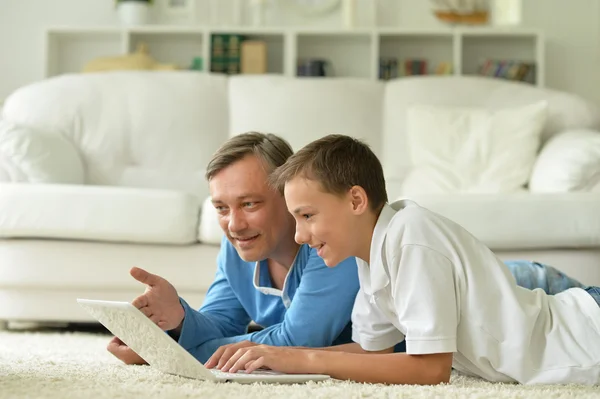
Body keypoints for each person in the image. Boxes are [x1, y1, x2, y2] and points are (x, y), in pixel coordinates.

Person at [213, 134, 600, 386]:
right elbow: (372, 351)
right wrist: (281, 358)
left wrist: (303, 358)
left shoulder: (410, 236)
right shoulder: (370, 257)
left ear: (356, 201)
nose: (299, 235)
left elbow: (431, 369)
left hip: (586, 333)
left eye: (308, 216)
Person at [107, 132, 361, 366]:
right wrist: (178, 320)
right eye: (221, 208)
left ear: (289, 195)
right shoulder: (238, 248)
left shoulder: (330, 239)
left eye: (249, 204)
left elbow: (299, 340)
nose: (235, 225)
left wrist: (167, 351)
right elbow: (222, 321)